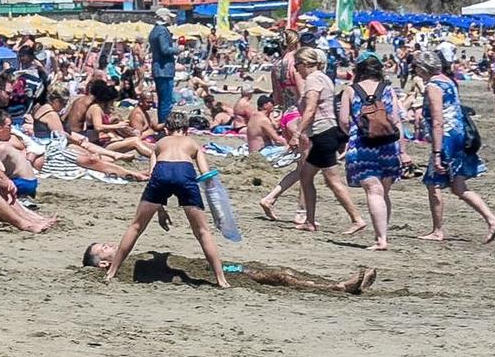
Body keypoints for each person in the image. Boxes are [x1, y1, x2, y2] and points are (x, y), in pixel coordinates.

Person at [94, 110, 229, 287]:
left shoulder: (159, 144)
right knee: (203, 231)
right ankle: (221, 279)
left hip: (162, 172)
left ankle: (112, 272)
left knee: (136, 226)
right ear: (186, 130)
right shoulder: (193, 144)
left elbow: (152, 175)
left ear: (166, 130)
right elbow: (206, 176)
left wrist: (160, 210)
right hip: (185, 173)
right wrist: (217, 208)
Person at [259, 48, 365, 234]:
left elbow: (310, 109)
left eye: (297, 65)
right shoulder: (325, 78)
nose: (296, 70)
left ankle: (356, 218)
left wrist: (297, 133)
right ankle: (310, 220)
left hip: (323, 132)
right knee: (306, 176)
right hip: (325, 131)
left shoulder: (313, 79)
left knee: (332, 180)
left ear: (306, 64)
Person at [417, 49, 495, 244]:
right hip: (459, 135)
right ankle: (492, 219)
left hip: (446, 138)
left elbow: (438, 119)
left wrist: (437, 152)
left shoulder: (433, 86)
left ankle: (437, 230)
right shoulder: (448, 81)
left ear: (423, 68)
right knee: (458, 186)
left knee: (433, 183)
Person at [90, 246, 377, 295]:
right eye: (103, 248)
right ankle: (338, 287)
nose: (110, 245)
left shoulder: (134, 256)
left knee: (281, 270)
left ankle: (341, 283)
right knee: (279, 277)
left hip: (214, 267)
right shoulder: (122, 269)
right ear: (102, 264)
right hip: (212, 275)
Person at [339, 54, 405, 252]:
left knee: (373, 190)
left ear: (358, 69)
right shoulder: (388, 89)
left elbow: (343, 121)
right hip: (388, 145)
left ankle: (381, 240)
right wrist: (403, 151)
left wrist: (352, 131)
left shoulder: (350, 90)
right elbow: (396, 119)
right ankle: (382, 235)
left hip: (362, 145)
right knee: (383, 192)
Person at [148, 7, 179, 126]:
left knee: (162, 100)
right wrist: (177, 50)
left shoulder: (154, 30)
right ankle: (165, 125)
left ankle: (162, 123)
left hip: (158, 68)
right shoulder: (162, 30)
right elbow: (165, 49)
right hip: (164, 69)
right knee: (166, 100)